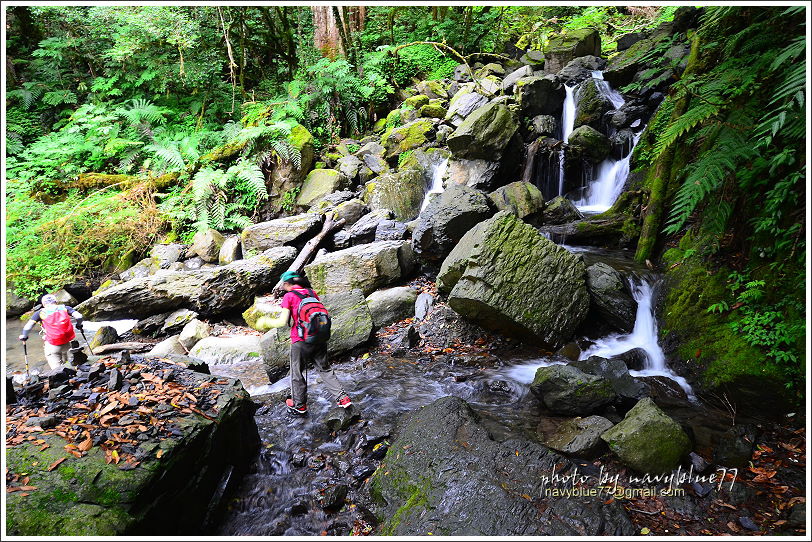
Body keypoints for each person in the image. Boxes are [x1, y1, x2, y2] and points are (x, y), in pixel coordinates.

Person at [261, 271, 352, 415]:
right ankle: (343, 398)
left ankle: (299, 405)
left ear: (286, 283)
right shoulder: (312, 292)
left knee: (296, 372)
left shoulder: (288, 296)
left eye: (282, 284)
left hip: (300, 340)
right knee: (325, 369)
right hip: (318, 337)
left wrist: (265, 322)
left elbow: (282, 322)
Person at [19, 294, 84, 370]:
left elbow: (28, 327)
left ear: (43, 304)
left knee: (57, 370)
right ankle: (71, 373)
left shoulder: (41, 313)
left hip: (53, 344)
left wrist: (24, 336)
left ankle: (63, 377)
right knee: (68, 363)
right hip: (67, 343)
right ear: (56, 302)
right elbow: (79, 316)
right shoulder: (65, 308)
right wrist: (79, 325)